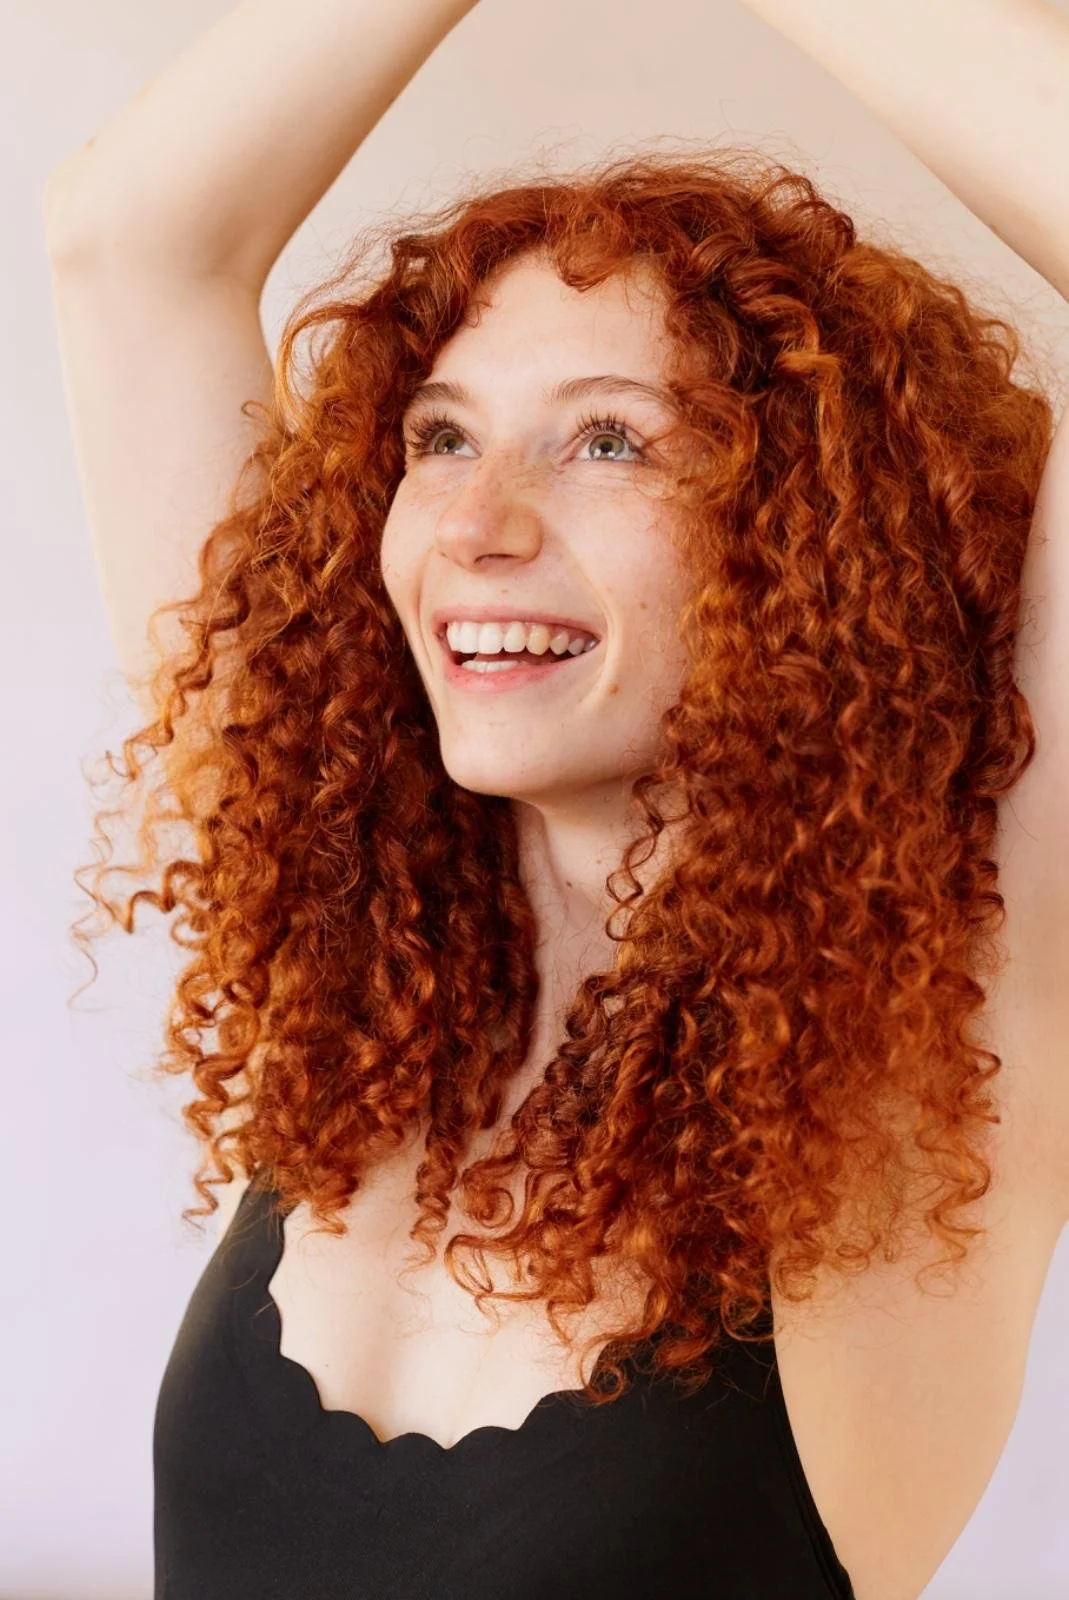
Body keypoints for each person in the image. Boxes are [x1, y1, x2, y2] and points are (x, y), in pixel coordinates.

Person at [43, 1, 1069, 1596]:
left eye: (607, 440)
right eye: (440, 437)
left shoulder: (944, 1057)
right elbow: (127, 242)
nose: (476, 521)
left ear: (814, 541)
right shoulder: (345, 971)